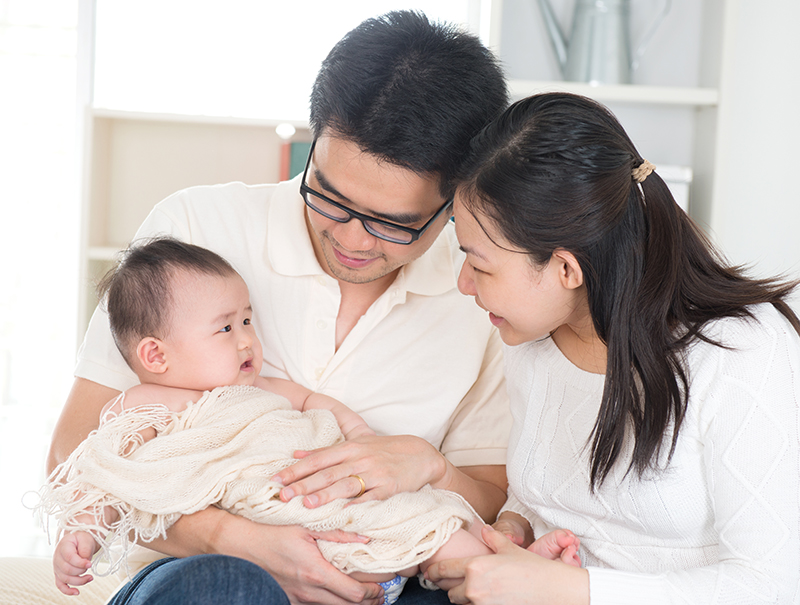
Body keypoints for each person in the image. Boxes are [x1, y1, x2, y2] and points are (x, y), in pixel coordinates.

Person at [47, 12, 512, 604]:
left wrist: (431, 467)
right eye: (330, 196)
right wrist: (230, 538)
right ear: (312, 142)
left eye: (393, 224)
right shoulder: (196, 229)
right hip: (203, 576)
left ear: (456, 200)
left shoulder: (481, 291)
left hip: (382, 574)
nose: (353, 240)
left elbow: (493, 499)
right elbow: (75, 455)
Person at [43, 238, 579, 602]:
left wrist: (361, 435)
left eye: (248, 319)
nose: (249, 338)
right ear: (157, 356)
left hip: (338, 502)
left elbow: (315, 406)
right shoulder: (144, 406)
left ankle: (516, 568)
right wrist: (82, 536)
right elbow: (107, 477)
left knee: (433, 526)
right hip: (258, 536)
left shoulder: (261, 388)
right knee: (228, 585)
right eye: (225, 329)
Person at [424, 91, 800, 604]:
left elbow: (774, 586)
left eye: (480, 264)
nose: (464, 283)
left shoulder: (743, 352)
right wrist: (514, 531)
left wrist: (574, 590)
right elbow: (554, 497)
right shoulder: (531, 335)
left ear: (565, 270)